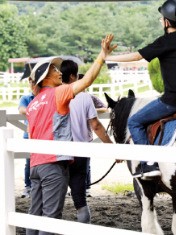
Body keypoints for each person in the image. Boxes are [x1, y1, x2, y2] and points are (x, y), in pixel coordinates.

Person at [105, 0, 176, 178]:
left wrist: (109, 57)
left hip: (173, 101)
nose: (161, 21)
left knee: (134, 122)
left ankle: (149, 164)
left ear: (167, 22)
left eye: (162, 18)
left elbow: (138, 55)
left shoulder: (166, 41)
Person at [25, 34, 115, 235]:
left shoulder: (32, 104)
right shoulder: (59, 93)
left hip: (35, 165)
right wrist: (102, 55)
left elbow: (32, 133)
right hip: (54, 164)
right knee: (51, 217)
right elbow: (88, 80)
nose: (59, 72)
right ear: (46, 77)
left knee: (34, 214)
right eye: (54, 69)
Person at [60, 59, 113, 223]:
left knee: (53, 196)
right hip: (80, 153)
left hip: (57, 152)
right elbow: (96, 125)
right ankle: (83, 225)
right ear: (73, 76)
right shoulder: (84, 97)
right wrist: (112, 148)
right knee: (80, 198)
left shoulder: (52, 95)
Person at [18, 76, 35, 198]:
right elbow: (21, 110)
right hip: (28, 134)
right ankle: (28, 186)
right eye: (30, 82)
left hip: (42, 135)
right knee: (28, 161)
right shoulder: (26, 98)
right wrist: (37, 109)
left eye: (34, 82)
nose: (32, 84)